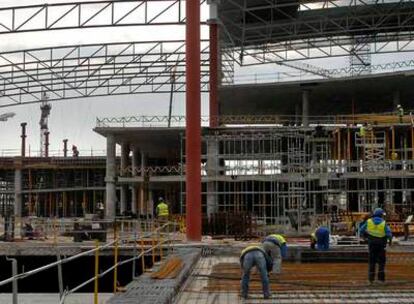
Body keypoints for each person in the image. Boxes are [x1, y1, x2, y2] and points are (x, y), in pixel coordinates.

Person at [359, 208, 392, 284]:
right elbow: (389, 234)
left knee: (372, 262)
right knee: (381, 262)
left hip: (371, 244)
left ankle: (371, 280)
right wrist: (390, 242)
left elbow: (361, 230)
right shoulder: (384, 223)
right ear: (381, 215)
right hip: (381, 245)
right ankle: (381, 279)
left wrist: (364, 238)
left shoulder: (369, 221)